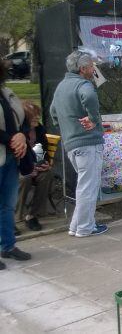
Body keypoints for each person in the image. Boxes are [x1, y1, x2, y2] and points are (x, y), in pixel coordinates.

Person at [50, 50, 107, 238]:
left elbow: (53, 112)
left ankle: (75, 226)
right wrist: (92, 119)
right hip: (87, 142)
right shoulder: (84, 85)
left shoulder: (61, 87)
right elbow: (89, 97)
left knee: (83, 186)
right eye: (91, 66)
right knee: (88, 187)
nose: (93, 69)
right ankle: (85, 227)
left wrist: (66, 127)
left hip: (71, 144)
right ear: (83, 69)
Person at [0, 61, 31, 267]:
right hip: (6, 149)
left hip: (11, 158)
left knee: (7, 205)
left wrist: (21, 134)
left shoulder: (7, 92)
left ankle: (8, 246)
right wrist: (13, 139)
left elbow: (23, 119)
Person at [16, 101, 53, 232]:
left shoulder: (40, 130)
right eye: (33, 115)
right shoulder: (17, 132)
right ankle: (14, 218)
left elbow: (45, 151)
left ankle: (32, 215)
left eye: (38, 114)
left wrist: (46, 164)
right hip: (19, 169)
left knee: (46, 175)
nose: (37, 117)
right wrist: (28, 167)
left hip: (36, 167)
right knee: (24, 178)